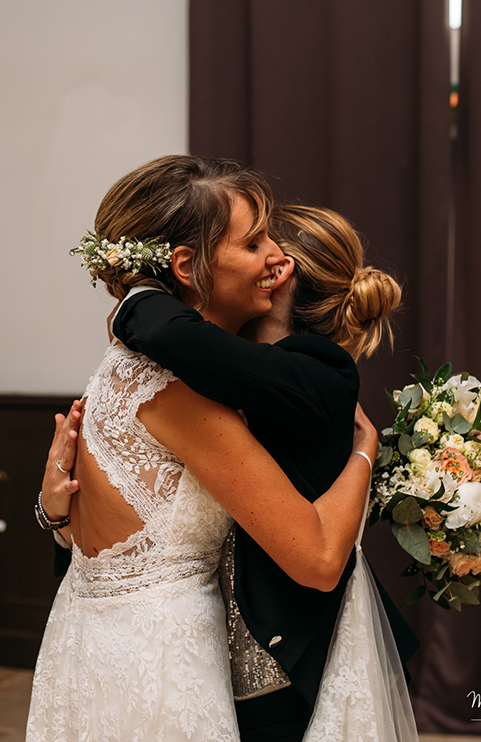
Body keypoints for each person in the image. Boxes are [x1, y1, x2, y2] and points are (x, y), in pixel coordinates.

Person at [25, 155, 380, 742]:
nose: (277, 256)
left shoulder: (118, 368)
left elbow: (101, 539)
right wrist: (365, 451)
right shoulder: (180, 390)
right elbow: (316, 559)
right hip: (164, 666)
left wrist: (52, 512)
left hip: (86, 648)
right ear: (188, 266)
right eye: (254, 240)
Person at [104, 203, 419, 740]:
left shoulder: (321, 370)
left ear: (277, 273)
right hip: (201, 648)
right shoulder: (228, 368)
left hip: (282, 658)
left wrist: (132, 295)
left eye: (260, 246)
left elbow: (167, 332)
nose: (257, 254)